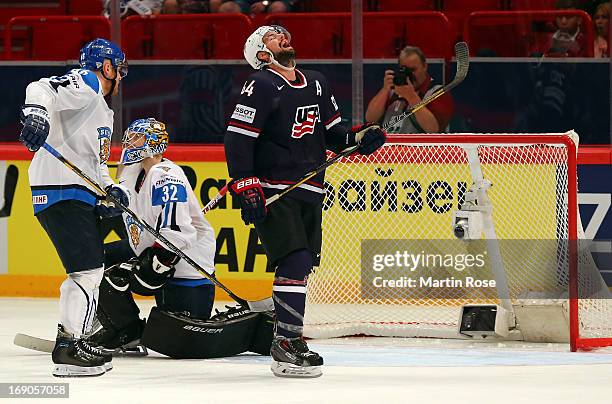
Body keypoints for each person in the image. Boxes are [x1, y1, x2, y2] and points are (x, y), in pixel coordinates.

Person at [224, 25, 386, 377]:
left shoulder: (316, 82)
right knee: (294, 261)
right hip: (274, 189)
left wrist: (362, 136)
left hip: (310, 189)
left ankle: (287, 338)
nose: (283, 36)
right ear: (261, 53)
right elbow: (238, 138)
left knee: (302, 265)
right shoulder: (262, 84)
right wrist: (246, 184)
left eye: (283, 32)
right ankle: (286, 342)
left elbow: (336, 135)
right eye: (272, 36)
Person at [19, 38, 129, 377]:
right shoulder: (90, 81)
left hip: (76, 191)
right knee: (87, 272)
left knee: (88, 270)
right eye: (119, 67)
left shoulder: (102, 111)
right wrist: (36, 112)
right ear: (107, 66)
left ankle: (73, 341)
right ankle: (69, 347)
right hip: (61, 189)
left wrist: (109, 189)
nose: (121, 75)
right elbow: (40, 87)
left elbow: (95, 164)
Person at [88, 118, 217, 355]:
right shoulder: (131, 173)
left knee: (115, 277)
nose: (130, 143)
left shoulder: (166, 174)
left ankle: (127, 330)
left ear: (155, 144)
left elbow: (176, 231)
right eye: (129, 137)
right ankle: (123, 330)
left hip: (185, 266)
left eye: (137, 137)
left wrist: (159, 261)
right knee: (94, 259)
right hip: (155, 254)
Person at [365, 46, 454, 134]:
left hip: (419, 147)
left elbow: (433, 129)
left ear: (424, 66)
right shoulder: (392, 91)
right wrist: (385, 90)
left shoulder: (437, 93)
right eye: (405, 70)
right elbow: (370, 119)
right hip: (389, 146)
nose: (409, 74)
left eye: (413, 70)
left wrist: (411, 96)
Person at [213, 0, 296, 15]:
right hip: (245, 3)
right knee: (227, 8)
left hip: (272, 3)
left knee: (278, 7)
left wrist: (265, 3)